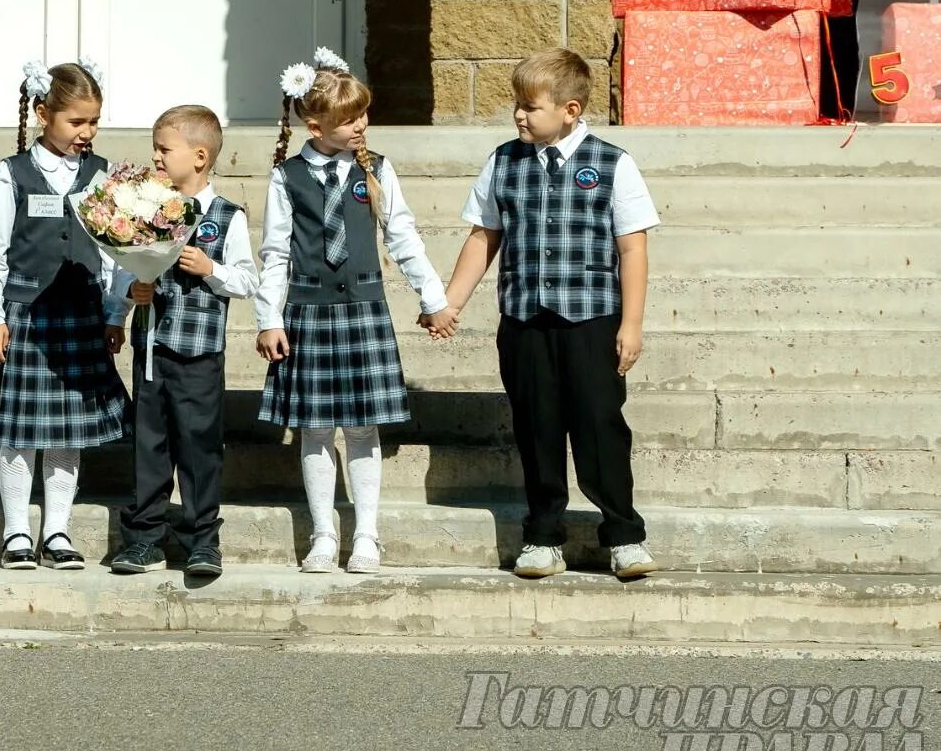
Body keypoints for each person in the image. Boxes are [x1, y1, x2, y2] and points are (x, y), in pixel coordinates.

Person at [437, 48, 661, 580]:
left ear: (571, 109)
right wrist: (451, 302)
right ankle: (542, 536)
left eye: (530, 106)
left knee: (599, 426)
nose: (519, 114)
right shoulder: (503, 162)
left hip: (592, 322)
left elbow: (632, 249)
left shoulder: (612, 163)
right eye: (516, 103)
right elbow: (482, 237)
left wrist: (631, 324)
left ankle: (624, 534)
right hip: (524, 322)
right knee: (536, 429)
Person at [255, 49, 456, 574]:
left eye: (364, 114)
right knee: (316, 429)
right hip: (308, 312)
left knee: (364, 428)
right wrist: (269, 318)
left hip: (364, 308)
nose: (362, 125)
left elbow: (402, 236)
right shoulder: (288, 177)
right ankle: (324, 533)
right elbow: (275, 254)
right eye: (350, 119)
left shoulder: (378, 170)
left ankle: (367, 533)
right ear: (315, 124)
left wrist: (433, 298)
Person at [0, 59, 130, 570]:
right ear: (44, 113)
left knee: (67, 433)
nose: (86, 133)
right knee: (19, 430)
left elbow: (113, 253)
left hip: (81, 315)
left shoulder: (100, 173)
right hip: (26, 315)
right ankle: (17, 531)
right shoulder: (11, 173)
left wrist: (115, 313)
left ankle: (57, 531)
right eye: (76, 122)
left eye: (93, 123)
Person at [110, 105, 258, 578]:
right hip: (151, 346)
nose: (155, 155)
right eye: (154, 147)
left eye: (163, 148)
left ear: (199, 156)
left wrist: (210, 270)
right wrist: (132, 296)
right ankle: (144, 539)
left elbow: (247, 280)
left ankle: (201, 540)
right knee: (148, 444)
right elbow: (125, 268)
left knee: (198, 446)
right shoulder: (144, 207)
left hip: (199, 352)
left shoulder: (225, 216)